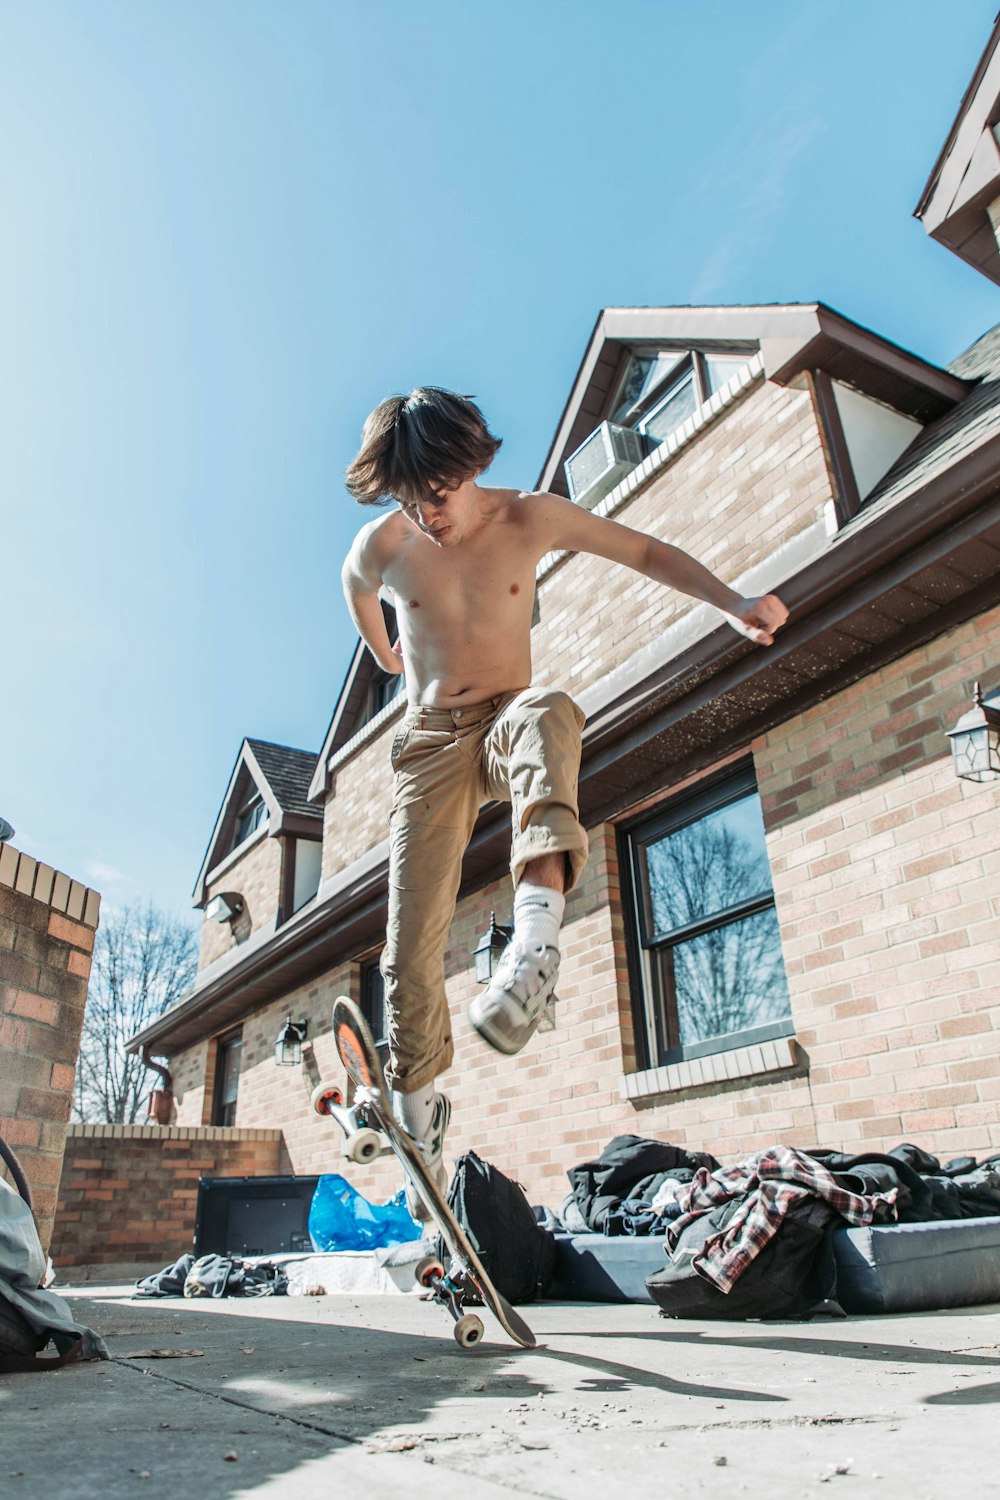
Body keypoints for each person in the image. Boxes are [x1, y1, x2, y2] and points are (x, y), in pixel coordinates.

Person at [342, 386, 788, 1218]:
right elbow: (357, 590)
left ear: (471, 467)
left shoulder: (531, 517)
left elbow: (644, 552)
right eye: (409, 499)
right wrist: (387, 652)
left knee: (548, 709)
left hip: (508, 717)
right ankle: (420, 1125)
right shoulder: (384, 544)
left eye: (436, 495)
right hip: (430, 743)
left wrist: (730, 602)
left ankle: (536, 946)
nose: (426, 515)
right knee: (408, 951)